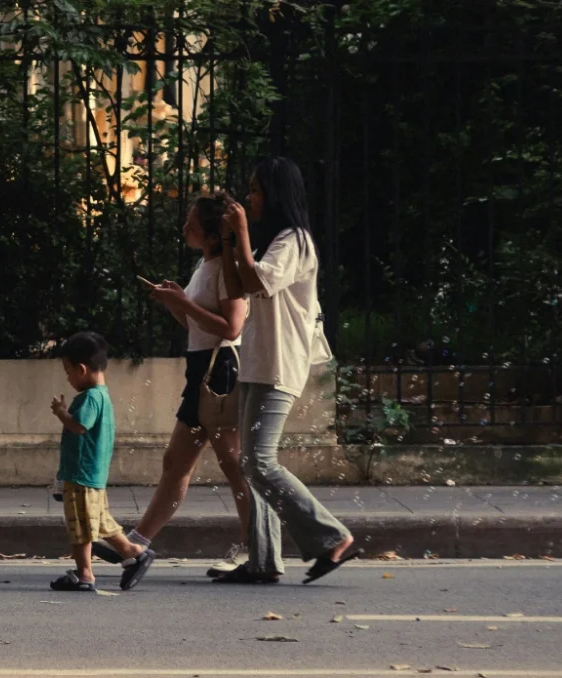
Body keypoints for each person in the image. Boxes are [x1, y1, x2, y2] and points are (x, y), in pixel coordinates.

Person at [90, 192, 253, 577]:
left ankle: (252, 547)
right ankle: (138, 543)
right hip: (202, 369)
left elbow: (232, 327)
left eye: (192, 225)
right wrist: (175, 304)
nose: (184, 229)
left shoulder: (225, 268)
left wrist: (183, 302)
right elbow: (197, 325)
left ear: (212, 236)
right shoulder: (205, 265)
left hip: (220, 371)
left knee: (233, 465)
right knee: (176, 461)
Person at [215, 157, 361, 585]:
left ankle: (333, 537)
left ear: (275, 194)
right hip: (260, 362)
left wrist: (240, 234)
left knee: (259, 460)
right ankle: (263, 561)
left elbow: (260, 282)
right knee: (249, 463)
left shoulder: (296, 241)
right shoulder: (277, 241)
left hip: (280, 364)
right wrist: (228, 241)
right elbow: (238, 286)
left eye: (256, 191)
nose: (249, 198)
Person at [49, 332, 157, 592]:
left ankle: (85, 574)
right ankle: (132, 552)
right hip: (89, 472)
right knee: (97, 520)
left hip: (82, 474)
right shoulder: (101, 396)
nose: (67, 377)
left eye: (68, 371)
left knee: (81, 526)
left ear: (82, 369)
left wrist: (62, 413)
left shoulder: (90, 398)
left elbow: (78, 427)